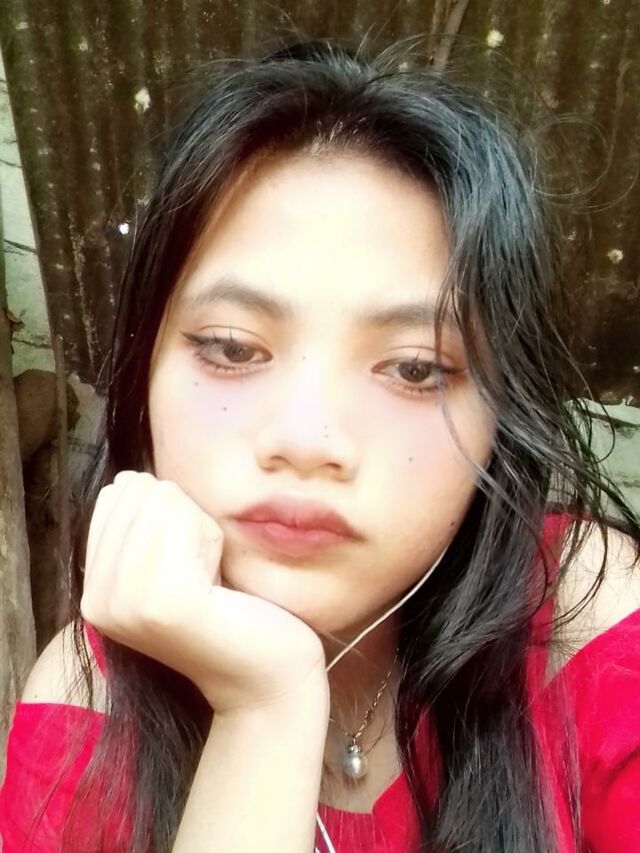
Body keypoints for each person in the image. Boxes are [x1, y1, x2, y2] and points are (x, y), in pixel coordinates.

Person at [1, 35, 639, 853]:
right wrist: (263, 710)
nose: (306, 441)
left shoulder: (585, 629)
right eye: (231, 347)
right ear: (141, 374)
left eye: (414, 367)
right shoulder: (85, 710)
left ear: (502, 420)